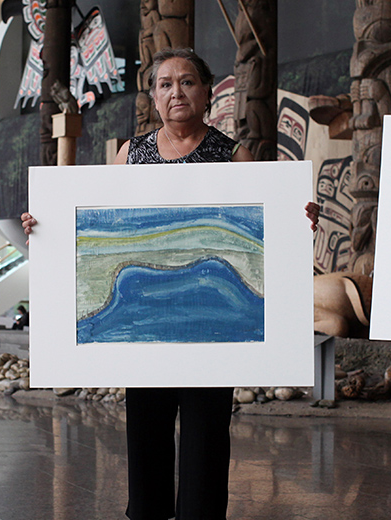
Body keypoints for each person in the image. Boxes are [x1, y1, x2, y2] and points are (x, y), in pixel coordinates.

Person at [22, 48, 253, 520]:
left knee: (206, 440)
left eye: (187, 82)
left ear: (207, 92)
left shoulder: (233, 156)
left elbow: (258, 237)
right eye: (165, 84)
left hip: (212, 323)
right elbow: (99, 225)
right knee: (146, 440)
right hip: (143, 322)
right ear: (153, 96)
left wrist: (299, 219)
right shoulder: (132, 154)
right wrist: (45, 226)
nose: (176, 92)